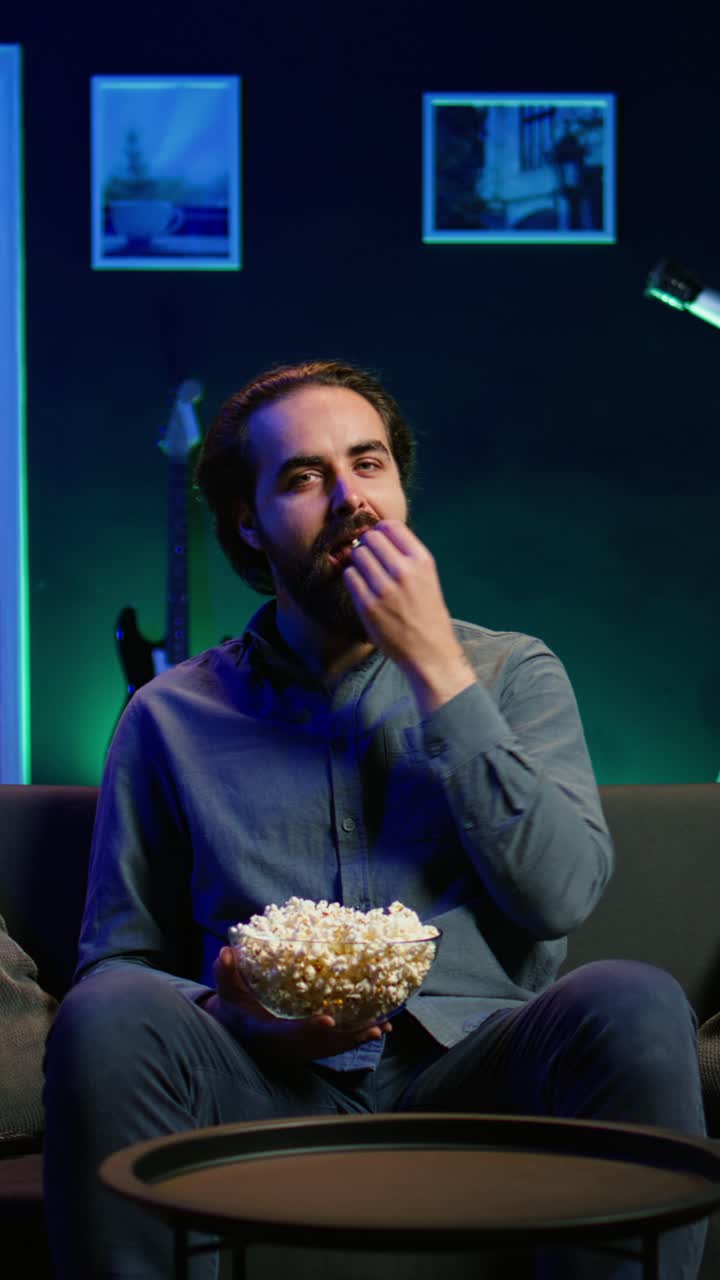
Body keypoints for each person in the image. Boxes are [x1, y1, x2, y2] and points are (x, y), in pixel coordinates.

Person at [43, 360, 706, 1280]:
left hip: (480, 1076)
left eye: (368, 463)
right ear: (248, 520)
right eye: (303, 477)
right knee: (107, 1012)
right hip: (258, 1084)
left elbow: (558, 897)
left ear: (399, 488)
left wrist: (437, 670)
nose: (349, 498)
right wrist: (239, 1019)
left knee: (634, 997)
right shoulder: (167, 715)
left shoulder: (513, 673)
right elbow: (117, 962)